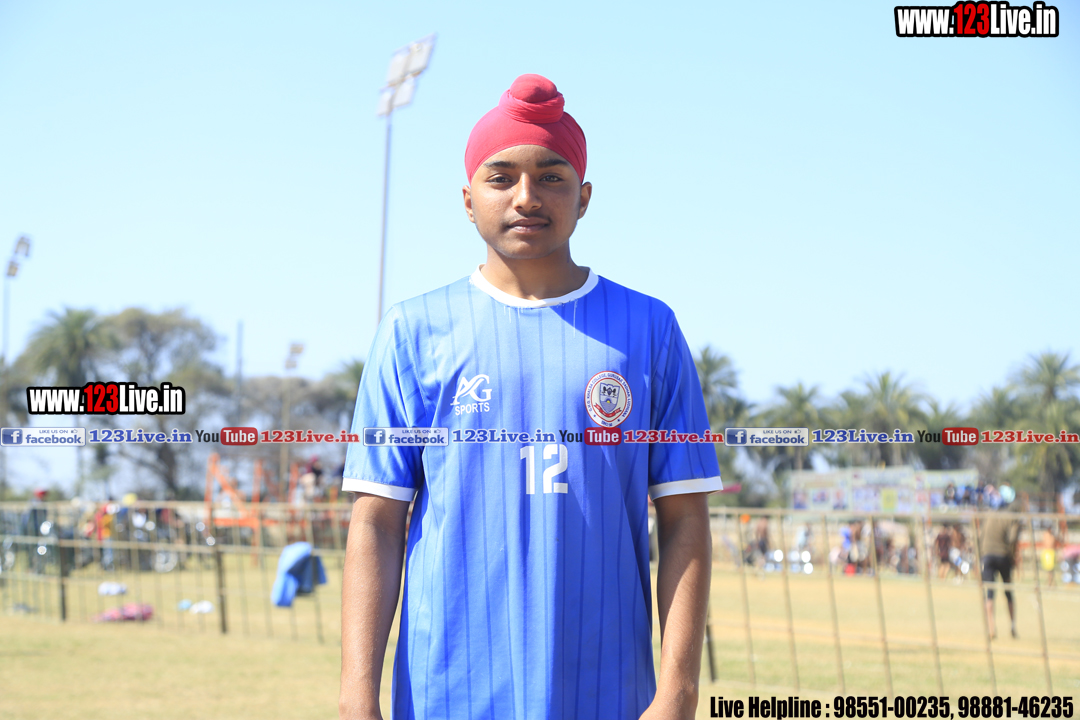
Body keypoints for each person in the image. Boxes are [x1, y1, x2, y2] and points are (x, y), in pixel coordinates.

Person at [339, 74, 721, 720]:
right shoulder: (412, 333)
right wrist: (356, 696)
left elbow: (684, 517)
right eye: (501, 177)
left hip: (606, 693)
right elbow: (376, 521)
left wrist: (679, 690)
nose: (526, 196)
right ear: (468, 200)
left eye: (550, 176)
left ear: (584, 197)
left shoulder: (649, 330)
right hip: (445, 694)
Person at [978, 484, 1021, 639]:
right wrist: (1012, 555)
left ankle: (991, 628)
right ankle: (1012, 626)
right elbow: (1013, 538)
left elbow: (980, 537)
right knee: (1008, 592)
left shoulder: (988, 516)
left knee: (989, 594)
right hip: (1003, 556)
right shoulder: (1010, 517)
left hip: (987, 556)